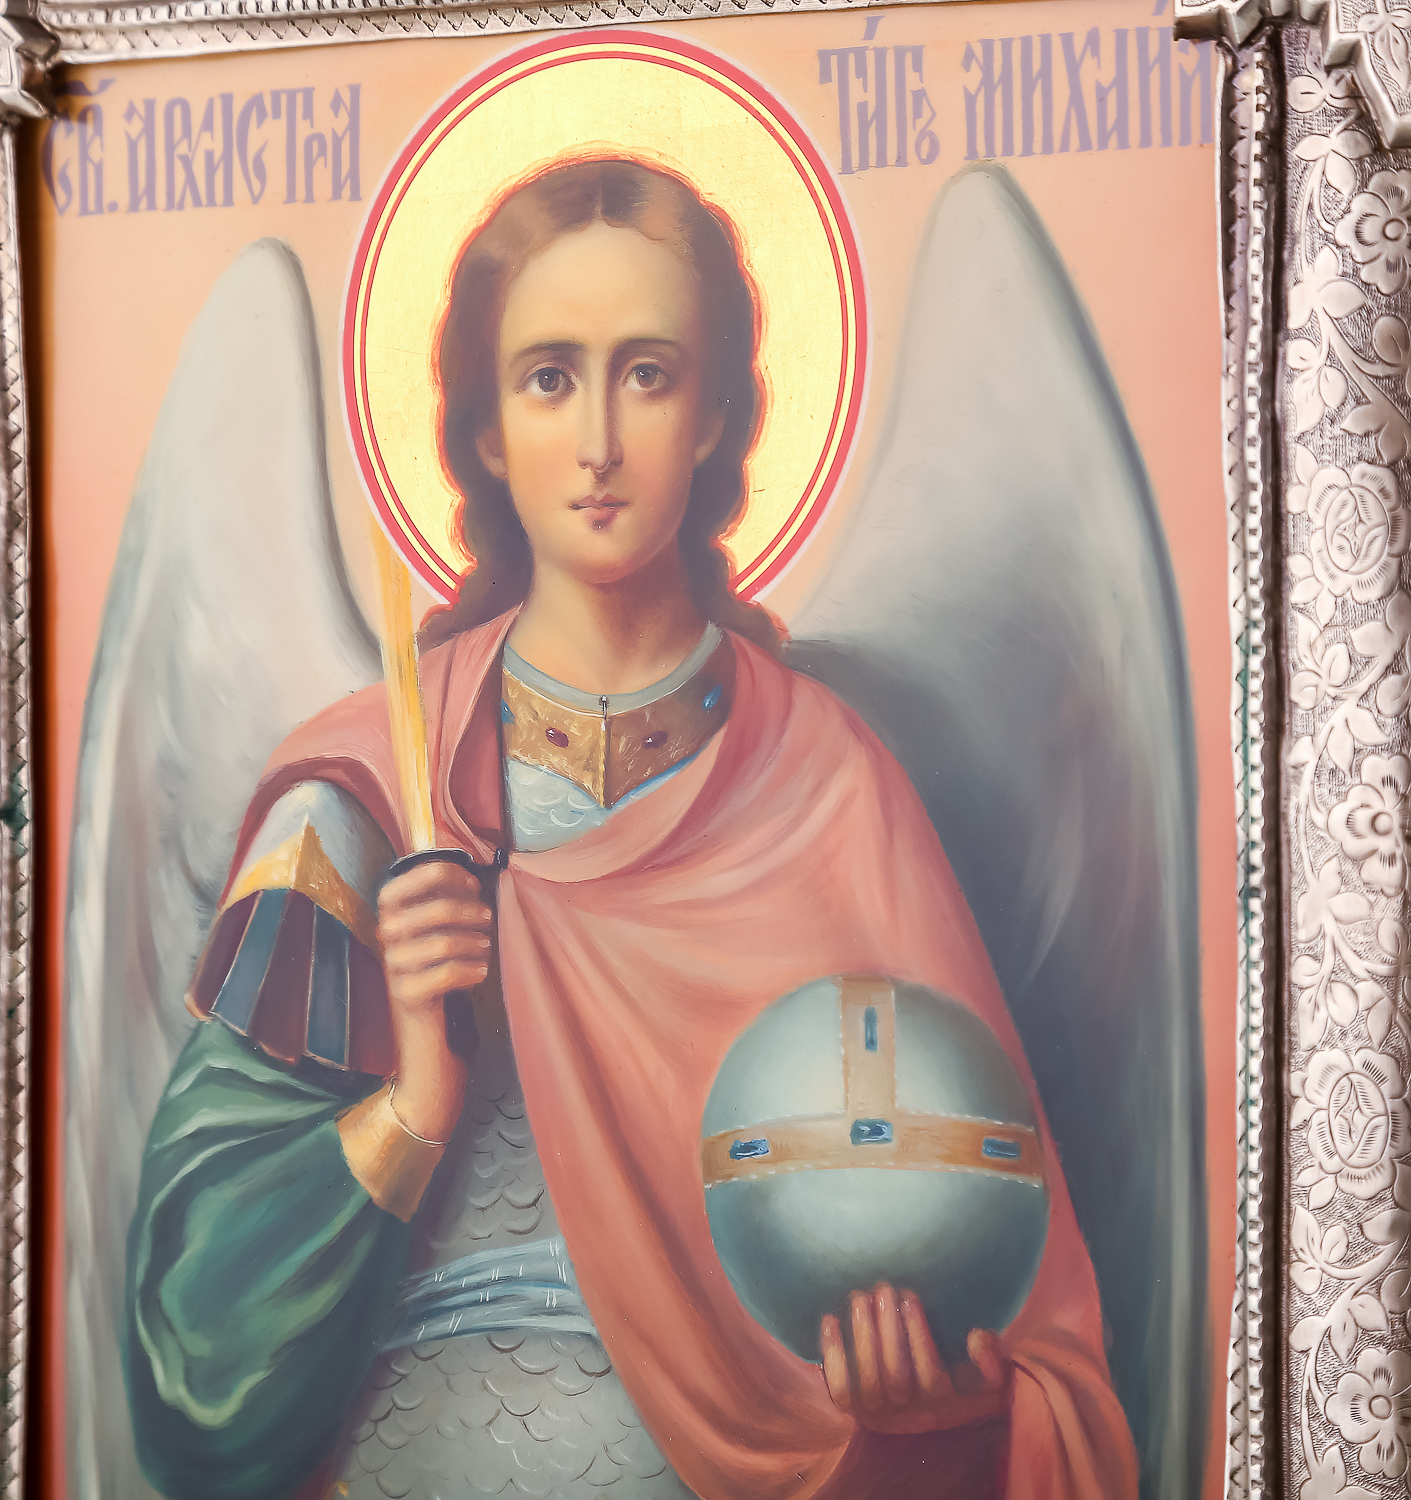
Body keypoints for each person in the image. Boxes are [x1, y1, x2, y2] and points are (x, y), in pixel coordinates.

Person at [123, 158, 1138, 1500]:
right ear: (487, 429)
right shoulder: (364, 798)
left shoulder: (829, 788)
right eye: (549, 378)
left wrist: (936, 1413)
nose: (598, 440)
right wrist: (415, 1102)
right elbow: (194, 1362)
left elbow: (1015, 1286)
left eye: (647, 375)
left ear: (715, 416)